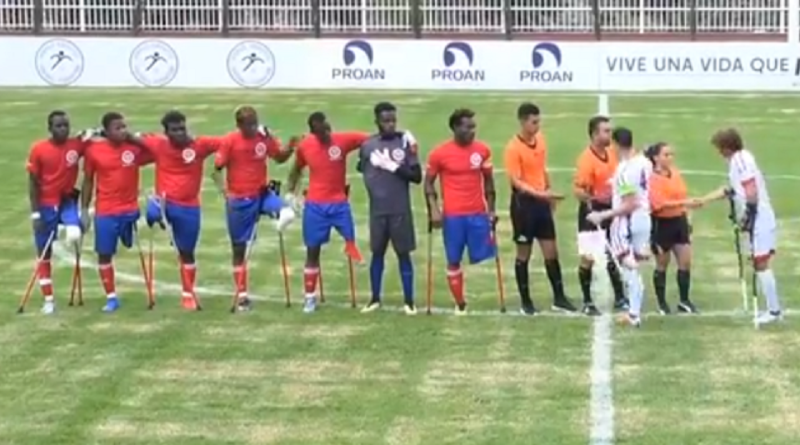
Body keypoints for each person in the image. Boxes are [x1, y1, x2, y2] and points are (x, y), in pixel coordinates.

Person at [134, 110, 223, 310]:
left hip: (190, 206)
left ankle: (187, 293)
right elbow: (128, 137)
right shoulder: (158, 143)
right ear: (166, 132)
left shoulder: (199, 145)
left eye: (182, 128)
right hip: (165, 201)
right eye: (175, 130)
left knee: (187, 252)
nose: (180, 133)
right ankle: (156, 214)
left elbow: (227, 142)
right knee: (154, 211)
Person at [211, 106, 296, 312]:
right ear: (239, 125)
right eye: (248, 124)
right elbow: (216, 170)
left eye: (254, 122)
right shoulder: (230, 141)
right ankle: (242, 295)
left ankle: (278, 218)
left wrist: (291, 147)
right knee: (239, 249)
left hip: (262, 193)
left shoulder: (264, 137)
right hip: (239, 199)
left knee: (289, 212)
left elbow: (279, 157)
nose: (253, 127)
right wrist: (224, 190)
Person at [285, 111, 369, 314]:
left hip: (339, 203)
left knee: (350, 237)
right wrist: (290, 192)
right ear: (313, 132)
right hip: (315, 205)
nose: (326, 135)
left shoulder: (342, 140)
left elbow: (370, 140)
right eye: (321, 132)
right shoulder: (306, 146)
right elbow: (296, 168)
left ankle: (351, 248)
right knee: (312, 251)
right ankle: (309, 297)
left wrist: (364, 159)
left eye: (327, 130)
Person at [700, 128, 781, 325]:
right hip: (758, 216)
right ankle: (773, 308)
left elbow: (751, 189)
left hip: (760, 218)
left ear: (726, 147)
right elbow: (733, 190)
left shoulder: (741, 160)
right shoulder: (738, 160)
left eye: (720, 148)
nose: (719, 152)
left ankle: (774, 310)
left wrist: (749, 216)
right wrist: (705, 200)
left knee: (761, 262)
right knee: (758, 261)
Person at [503, 103, 575, 315]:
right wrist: (541, 194)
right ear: (523, 122)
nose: (537, 125)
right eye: (534, 122)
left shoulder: (540, 140)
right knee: (523, 253)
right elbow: (516, 181)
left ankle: (559, 297)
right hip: (523, 205)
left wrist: (548, 190)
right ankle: (526, 301)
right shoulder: (513, 148)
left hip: (541, 202)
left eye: (538, 121)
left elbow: (542, 168)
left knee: (551, 251)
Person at [424, 108, 496, 315]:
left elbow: (489, 182)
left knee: (483, 255)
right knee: (453, 259)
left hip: (477, 214)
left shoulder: (482, 150)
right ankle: (460, 302)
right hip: (453, 216)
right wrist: (434, 210)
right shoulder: (440, 153)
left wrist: (491, 211)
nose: (472, 131)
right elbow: (428, 183)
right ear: (455, 127)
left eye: (473, 127)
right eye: (467, 127)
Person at [80, 112, 154, 313]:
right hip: (105, 210)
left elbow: (157, 149)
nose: (123, 131)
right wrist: (84, 210)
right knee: (104, 254)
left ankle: (127, 232)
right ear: (106, 131)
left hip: (129, 209)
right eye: (118, 128)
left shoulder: (133, 148)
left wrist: (135, 137)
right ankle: (111, 297)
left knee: (128, 239)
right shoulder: (94, 151)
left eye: (124, 127)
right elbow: (87, 181)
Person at [358, 102, 421, 315]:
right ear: (377, 121)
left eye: (393, 120)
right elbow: (362, 168)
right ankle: (375, 298)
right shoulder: (368, 145)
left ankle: (409, 301)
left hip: (400, 209)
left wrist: (395, 167)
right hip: (377, 210)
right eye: (386, 121)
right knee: (377, 254)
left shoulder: (404, 142)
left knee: (404, 255)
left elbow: (417, 177)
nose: (390, 124)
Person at [586, 128, 652, 327]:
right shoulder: (644, 162)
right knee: (634, 266)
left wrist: (602, 215)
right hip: (644, 218)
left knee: (628, 266)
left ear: (615, 144)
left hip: (627, 221)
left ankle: (634, 314)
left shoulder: (624, 170)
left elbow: (629, 203)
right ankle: (634, 312)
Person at [26, 111, 86, 314]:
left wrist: (94, 132)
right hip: (45, 205)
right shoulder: (39, 149)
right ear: (50, 128)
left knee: (75, 231)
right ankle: (48, 299)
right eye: (59, 126)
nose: (63, 129)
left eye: (66, 125)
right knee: (44, 253)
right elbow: (33, 182)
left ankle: (72, 230)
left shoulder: (76, 145)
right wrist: (35, 214)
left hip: (66, 201)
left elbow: (94, 143)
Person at [573, 116, 627, 316]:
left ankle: (620, 297)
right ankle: (587, 301)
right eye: (606, 131)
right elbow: (578, 189)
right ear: (595, 134)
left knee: (613, 253)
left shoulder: (612, 154)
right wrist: (591, 201)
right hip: (592, 211)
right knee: (589, 257)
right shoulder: (586, 160)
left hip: (610, 210)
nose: (609, 134)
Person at [646, 142, 701, 314]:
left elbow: (682, 195)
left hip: (679, 221)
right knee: (662, 263)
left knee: (685, 261)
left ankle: (684, 301)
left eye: (671, 155)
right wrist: (685, 203)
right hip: (661, 224)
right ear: (656, 158)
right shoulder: (652, 178)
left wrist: (687, 213)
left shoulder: (675, 173)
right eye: (666, 155)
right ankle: (662, 303)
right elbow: (658, 205)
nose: (670, 158)